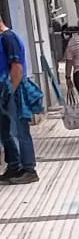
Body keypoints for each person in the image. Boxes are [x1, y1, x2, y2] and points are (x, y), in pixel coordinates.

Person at [0, 12, 33, 184]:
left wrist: (10, 91)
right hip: (5, 90)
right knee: (6, 132)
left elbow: (17, 68)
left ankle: (28, 168)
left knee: (19, 130)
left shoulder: (8, 38)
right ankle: (13, 166)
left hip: (12, 90)